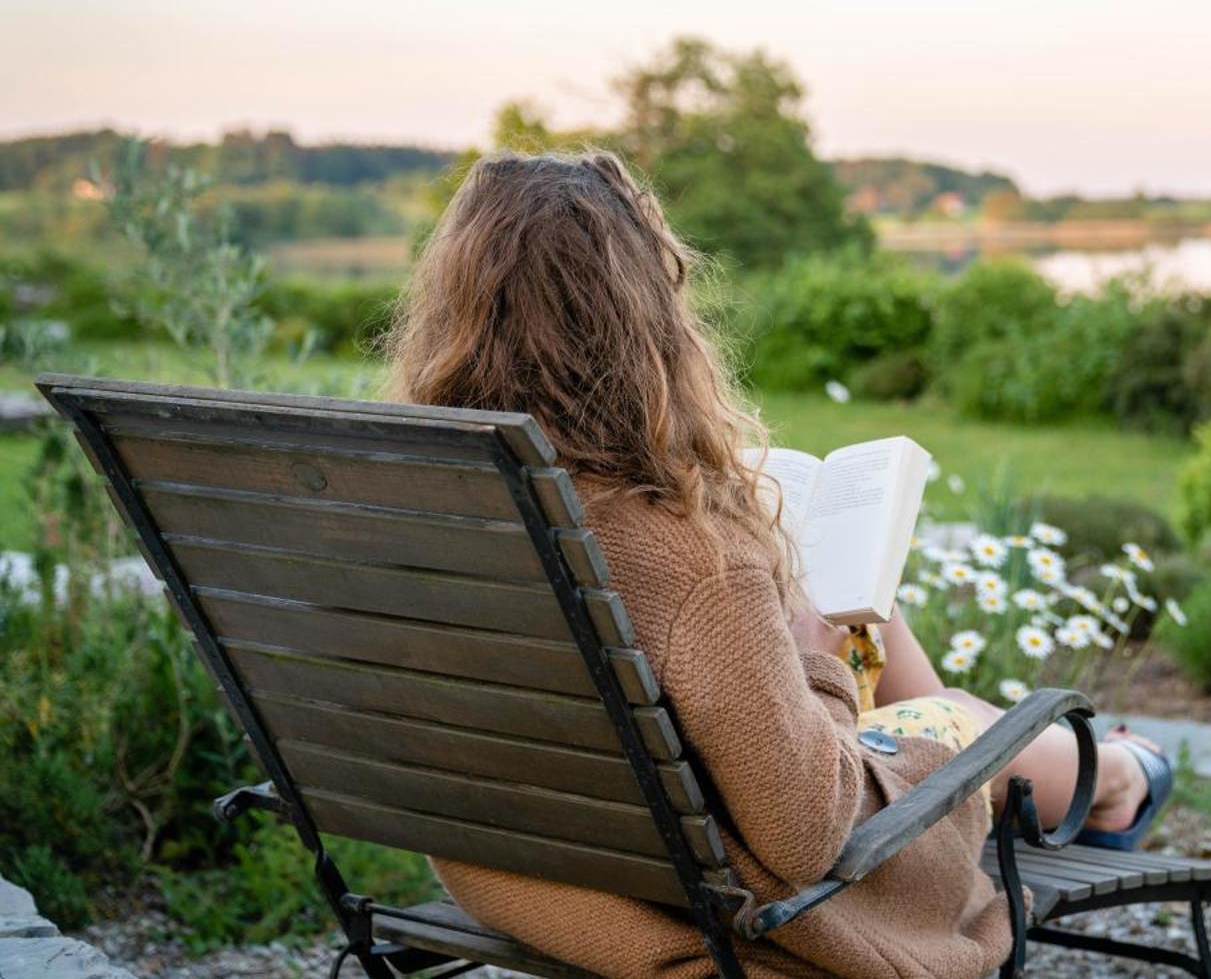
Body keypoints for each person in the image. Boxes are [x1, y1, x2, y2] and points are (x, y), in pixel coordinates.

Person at [386, 151, 1171, 979]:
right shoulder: (682, 553)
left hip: (542, 876)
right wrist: (814, 666)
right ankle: (1117, 776)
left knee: (878, 642)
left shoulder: (431, 509)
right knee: (959, 722)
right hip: (748, 905)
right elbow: (804, 836)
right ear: (644, 321)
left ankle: (1099, 772)